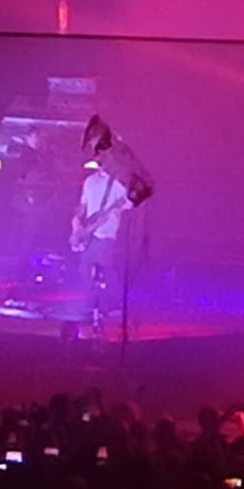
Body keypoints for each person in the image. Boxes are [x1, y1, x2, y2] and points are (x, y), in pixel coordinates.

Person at [74, 117, 154, 330]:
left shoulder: (119, 165)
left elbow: (141, 191)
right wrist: (77, 225)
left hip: (110, 233)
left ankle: (112, 304)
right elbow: (82, 207)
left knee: (105, 267)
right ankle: (100, 304)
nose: (96, 156)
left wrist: (121, 207)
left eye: (95, 148)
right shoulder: (95, 178)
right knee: (89, 267)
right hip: (96, 232)